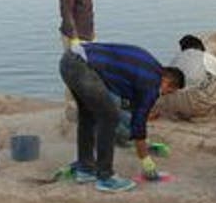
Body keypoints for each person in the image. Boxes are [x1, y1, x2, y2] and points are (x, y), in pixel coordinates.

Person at [59, 42, 185, 192]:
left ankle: (85, 169)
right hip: (82, 66)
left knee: (89, 115)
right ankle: (105, 177)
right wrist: (145, 159)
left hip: (69, 60)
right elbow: (139, 124)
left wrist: (139, 137)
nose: (163, 95)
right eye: (168, 91)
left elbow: (131, 110)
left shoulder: (149, 66)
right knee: (109, 117)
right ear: (167, 82)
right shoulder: (152, 83)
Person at [157, 35, 216, 119]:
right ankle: (199, 112)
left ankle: (182, 112)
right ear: (201, 47)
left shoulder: (177, 57)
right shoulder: (205, 56)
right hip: (193, 103)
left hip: (171, 102)